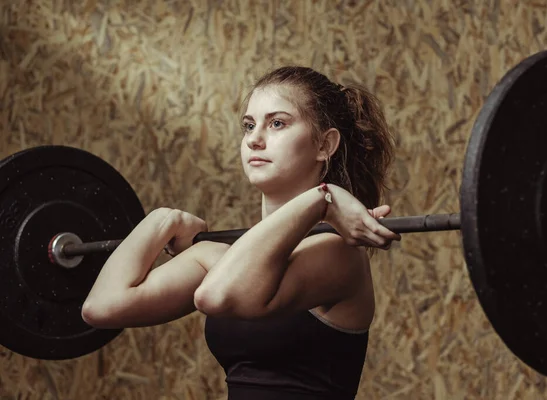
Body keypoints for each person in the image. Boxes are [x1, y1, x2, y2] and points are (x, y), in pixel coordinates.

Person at [81, 66, 402, 399]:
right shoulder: (222, 259)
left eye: (277, 123)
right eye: (249, 125)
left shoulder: (337, 254)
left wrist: (322, 199)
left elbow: (215, 296)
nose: (254, 138)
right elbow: (102, 307)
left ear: (325, 144)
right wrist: (162, 221)